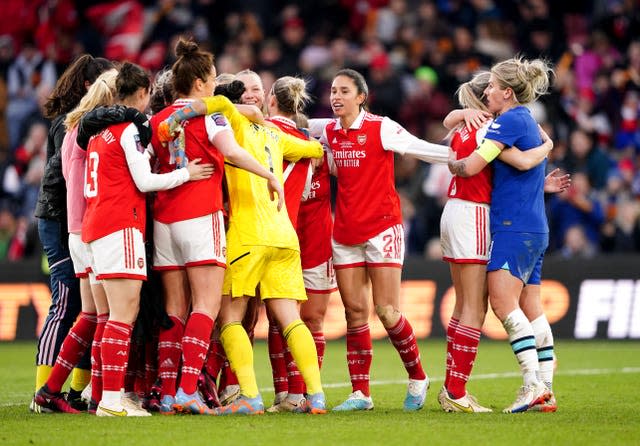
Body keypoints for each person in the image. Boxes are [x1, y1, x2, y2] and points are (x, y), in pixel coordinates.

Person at [159, 84, 328, 415]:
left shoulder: (232, 123)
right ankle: (317, 395)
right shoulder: (278, 137)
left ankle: (250, 396)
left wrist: (182, 113)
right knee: (291, 319)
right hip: (284, 236)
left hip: (248, 235)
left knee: (231, 318)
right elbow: (315, 150)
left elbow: (220, 104)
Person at [149, 39, 283, 415]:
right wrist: (270, 176)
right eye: (210, 80)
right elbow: (234, 152)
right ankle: (188, 390)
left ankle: (166, 389)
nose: (214, 87)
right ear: (200, 83)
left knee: (175, 307)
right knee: (206, 305)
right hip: (200, 215)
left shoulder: (158, 121)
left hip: (164, 220)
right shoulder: (210, 115)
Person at [313, 68, 451, 412]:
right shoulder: (328, 131)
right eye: (333, 91)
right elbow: (296, 126)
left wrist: (471, 159)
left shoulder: (381, 127)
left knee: (387, 311)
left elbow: (423, 150)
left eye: (344, 91)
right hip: (344, 232)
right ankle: (361, 393)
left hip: (382, 228)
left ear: (362, 97)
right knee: (354, 313)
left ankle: (418, 376)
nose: (336, 97)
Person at [82, 62, 213, 417]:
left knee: (111, 315)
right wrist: (188, 173)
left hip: (95, 227)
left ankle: (112, 396)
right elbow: (145, 181)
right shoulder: (127, 129)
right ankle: (111, 400)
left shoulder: (98, 133)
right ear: (143, 93)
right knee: (124, 315)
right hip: (120, 226)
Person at [438, 71, 568, 413]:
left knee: (489, 304)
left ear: (505, 93)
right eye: (491, 87)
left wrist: (452, 161)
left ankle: (530, 385)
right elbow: (520, 162)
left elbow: (504, 163)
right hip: (517, 221)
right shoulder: (502, 123)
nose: (494, 91)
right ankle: (542, 388)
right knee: (513, 305)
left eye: (497, 85)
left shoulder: (489, 124)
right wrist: (548, 148)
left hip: (500, 221)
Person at [32, 69, 119, 414]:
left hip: (78, 227)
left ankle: (69, 392)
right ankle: (57, 389)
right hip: (81, 226)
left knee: (91, 314)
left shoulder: (73, 127)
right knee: (80, 307)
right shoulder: (85, 130)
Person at [263, 76, 337, 413]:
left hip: (312, 242)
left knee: (310, 319)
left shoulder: (308, 152)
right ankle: (288, 394)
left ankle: (304, 393)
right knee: (283, 320)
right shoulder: (306, 149)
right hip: (289, 238)